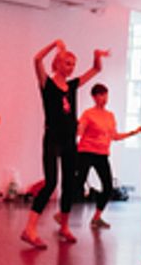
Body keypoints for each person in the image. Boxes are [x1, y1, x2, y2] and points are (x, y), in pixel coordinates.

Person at [23, 40, 105, 248]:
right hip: (53, 139)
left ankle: (64, 226)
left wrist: (97, 55)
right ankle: (29, 229)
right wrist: (53, 45)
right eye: (67, 63)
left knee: (70, 184)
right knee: (51, 183)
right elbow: (37, 59)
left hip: (70, 140)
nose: (71, 68)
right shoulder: (47, 84)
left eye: (73, 64)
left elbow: (96, 69)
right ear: (57, 64)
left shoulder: (73, 85)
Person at [74, 83, 141, 230]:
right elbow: (79, 131)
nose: (104, 98)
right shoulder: (88, 114)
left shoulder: (110, 116)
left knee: (108, 187)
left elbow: (114, 136)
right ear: (94, 97)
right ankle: (63, 214)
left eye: (105, 94)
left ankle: (97, 217)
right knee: (77, 184)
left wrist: (133, 133)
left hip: (102, 154)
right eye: (100, 95)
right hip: (86, 151)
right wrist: (74, 129)